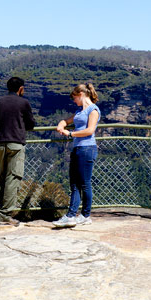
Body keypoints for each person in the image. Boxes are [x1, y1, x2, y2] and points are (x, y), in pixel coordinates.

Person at [53, 82, 100, 228]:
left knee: (85, 184)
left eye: (75, 98)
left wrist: (71, 133)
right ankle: (71, 215)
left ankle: (85, 215)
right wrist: (61, 124)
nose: (74, 101)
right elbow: (66, 120)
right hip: (78, 148)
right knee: (74, 184)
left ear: (81, 95)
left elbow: (90, 130)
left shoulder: (93, 110)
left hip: (87, 149)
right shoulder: (80, 111)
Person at [0, 76, 35, 225]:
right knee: (13, 178)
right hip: (16, 143)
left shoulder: (0, 102)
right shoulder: (24, 103)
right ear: (20, 88)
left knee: (1, 177)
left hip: (0, 143)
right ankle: (5, 214)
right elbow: (31, 124)